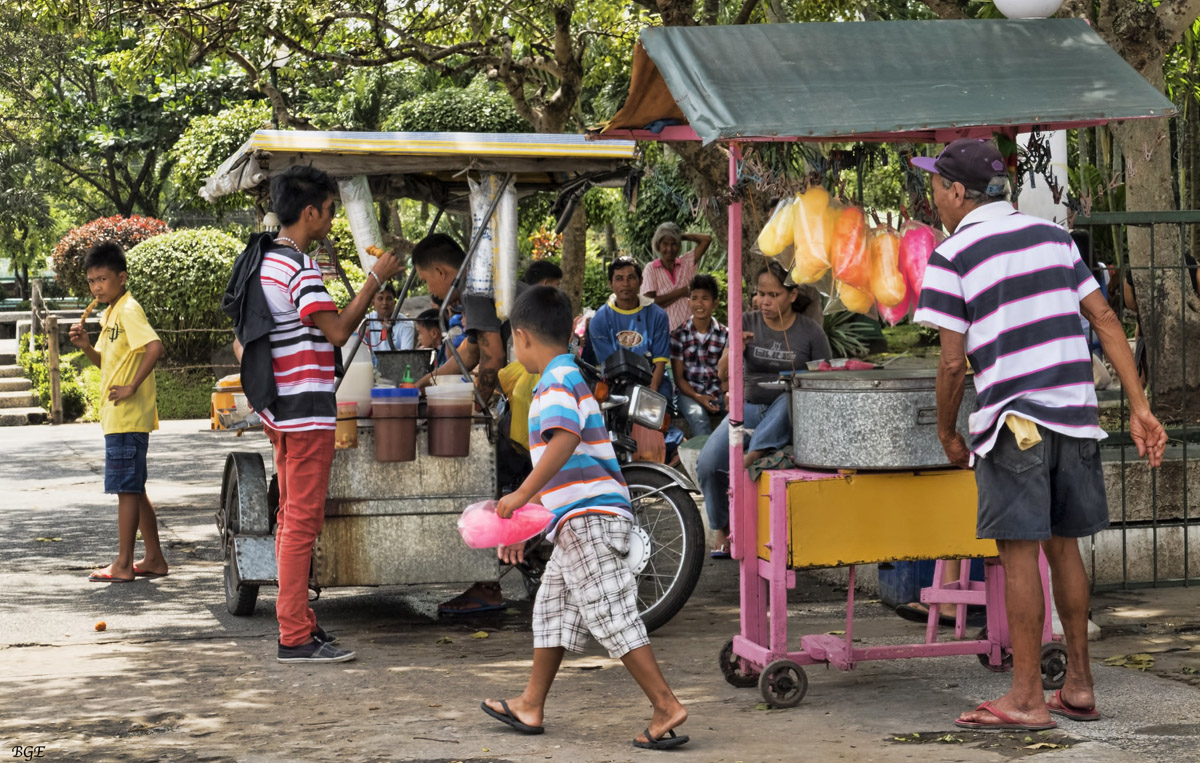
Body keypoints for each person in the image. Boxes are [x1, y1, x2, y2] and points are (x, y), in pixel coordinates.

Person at [910, 138, 1167, 730]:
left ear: (955, 192)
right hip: (1074, 412)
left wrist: (950, 434)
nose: (934, 198)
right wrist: (1138, 406)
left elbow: (952, 365)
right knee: (1064, 545)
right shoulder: (1054, 238)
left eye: (936, 186)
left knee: (1020, 553)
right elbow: (1104, 318)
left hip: (1013, 421)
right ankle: (1077, 685)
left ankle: (1026, 697)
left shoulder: (953, 256)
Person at [481, 285, 689, 750]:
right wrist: (530, 518)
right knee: (551, 611)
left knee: (612, 615)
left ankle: (665, 705)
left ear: (522, 337)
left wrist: (519, 496)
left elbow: (564, 441)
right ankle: (531, 704)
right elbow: (566, 473)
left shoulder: (553, 380)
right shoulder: (568, 373)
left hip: (588, 520)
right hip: (578, 517)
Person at [224, 165, 403, 663]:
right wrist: (375, 279)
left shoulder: (264, 260)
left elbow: (243, 340)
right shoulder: (298, 269)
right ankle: (294, 636)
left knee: (291, 520)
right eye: (328, 210)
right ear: (310, 212)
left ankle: (300, 621)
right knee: (301, 523)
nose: (331, 219)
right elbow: (340, 330)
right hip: (304, 414)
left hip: (282, 410)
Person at [696, 261, 830, 558]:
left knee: (792, 392)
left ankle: (753, 454)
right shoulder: (747, 322)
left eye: (773, 295)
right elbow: (721, 374)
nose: (765, 301)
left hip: (787, 410)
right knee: (708, 464)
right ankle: (721, 528)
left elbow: (822, 381)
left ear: (792, 296)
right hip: (748, 407)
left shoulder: (811, 332)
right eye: (761, 294)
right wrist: (735, 351)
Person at [412, 232, 516, 614]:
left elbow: (491, 361)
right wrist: (422, 385)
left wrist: (476, 410)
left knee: (486, 471)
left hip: (526, 394)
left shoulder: (477, 288)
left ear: (441, 270)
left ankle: (488, 584)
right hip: (525, 390)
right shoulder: (479, 283)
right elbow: (470, 350)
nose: (431, 289)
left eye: (427, 281)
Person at [68, 242, 168, 583]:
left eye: (103, 279)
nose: (96, 287)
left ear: (121, 278)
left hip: (127, 414)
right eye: (92, 281)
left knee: (126, 489)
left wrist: (132, 387)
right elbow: (109, 363)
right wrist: (86, 348)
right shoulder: (109, 313)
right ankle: (153, 558)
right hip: (119, 415)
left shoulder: (127, 310)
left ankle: (123, 564)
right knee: (134, 488)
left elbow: (154, 347)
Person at [588, 257, 672, 397]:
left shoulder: (658, 315)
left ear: (641, 281)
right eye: (619, 278)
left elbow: (660, 362)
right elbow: (609, 365)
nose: (625, 284)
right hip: (616, 384)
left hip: (654, 382)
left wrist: (650, 394)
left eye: (631, 277)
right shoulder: (599, 319)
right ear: (610, 284)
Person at [670, 274, 728, 437]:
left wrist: (726, 394)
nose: (699, 303)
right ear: (688, 302)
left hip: (719, 392)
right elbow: (679, 379)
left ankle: (733, 460)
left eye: (705, 298)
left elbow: (728, 375)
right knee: (698, 417)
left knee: (736, 415)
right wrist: (698, 397)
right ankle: (704, 461)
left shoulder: (725, 335)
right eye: (694, 298)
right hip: (689, 394)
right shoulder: (678, 335)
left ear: (715, 302)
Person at [640, 222, 711, 331]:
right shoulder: (651, 269)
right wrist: (681, 292)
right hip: (664, 334)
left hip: (689, 333)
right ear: (658, 245)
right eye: (665, 244)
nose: (669, 249)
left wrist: (680, 236)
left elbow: (706, 239)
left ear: (679, 246)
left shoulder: (686, 263)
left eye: (674, 244)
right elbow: (648, 304)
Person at [357, 281, 415, 359]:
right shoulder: (366, 322)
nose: (384, 303)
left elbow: (405, 356)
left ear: (394, 303)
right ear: (373, 303)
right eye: (380, 299)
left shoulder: (406, 324)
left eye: (388, 299)